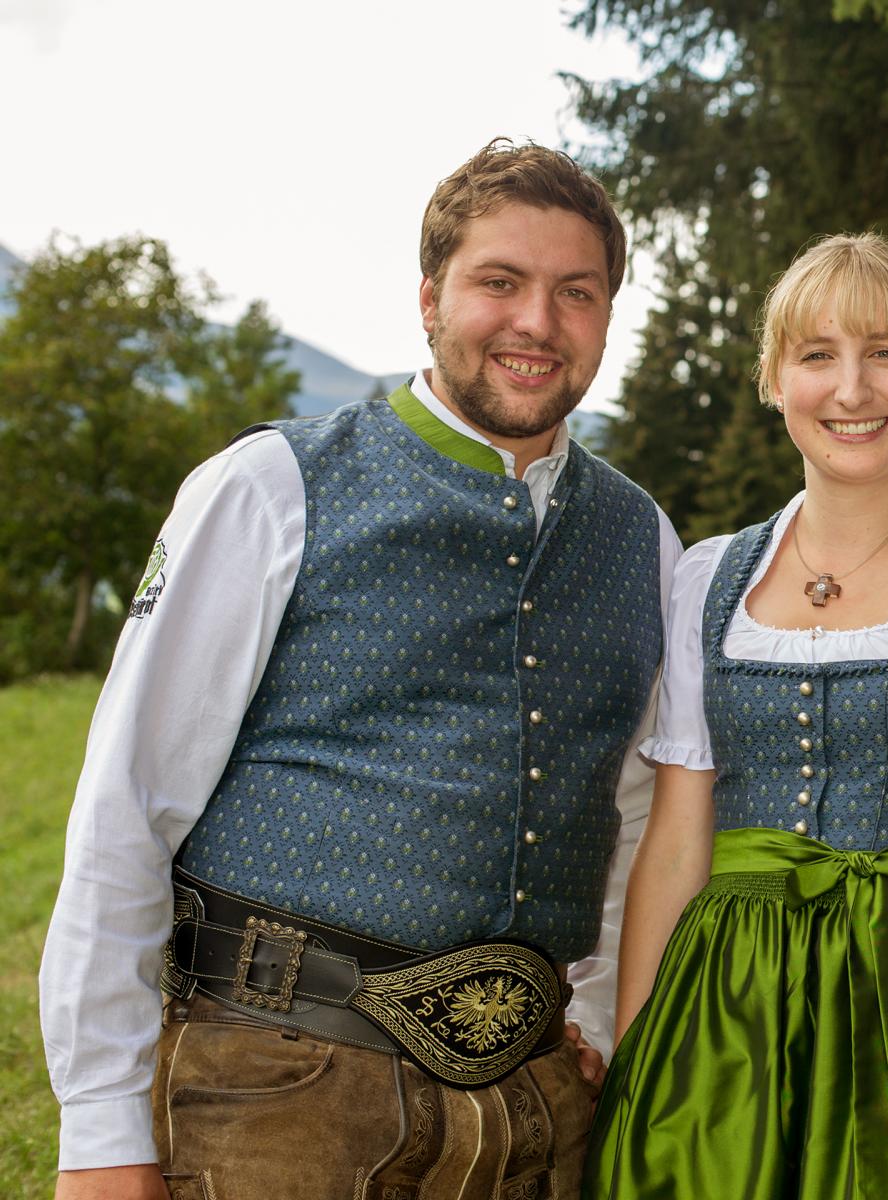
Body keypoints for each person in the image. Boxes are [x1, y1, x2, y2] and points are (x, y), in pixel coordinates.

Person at [39, 139, 682, 1200]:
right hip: (278, 1096)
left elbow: (634, 814)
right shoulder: (268, 489)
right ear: (430, 296)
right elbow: (126, 809)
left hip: (540, 1108)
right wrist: (103, 1134)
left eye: (577, 292)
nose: (537, 322)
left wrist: (607, 1029)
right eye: (500, 282)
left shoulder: (642, 537)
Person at [582, 233, 888, 1200]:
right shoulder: (709, 577)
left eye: (886, 353)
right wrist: (636, 1059)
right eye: (818, 355)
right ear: (776, 378)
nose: (853, 389)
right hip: (720, 1016)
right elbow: (678, 844)